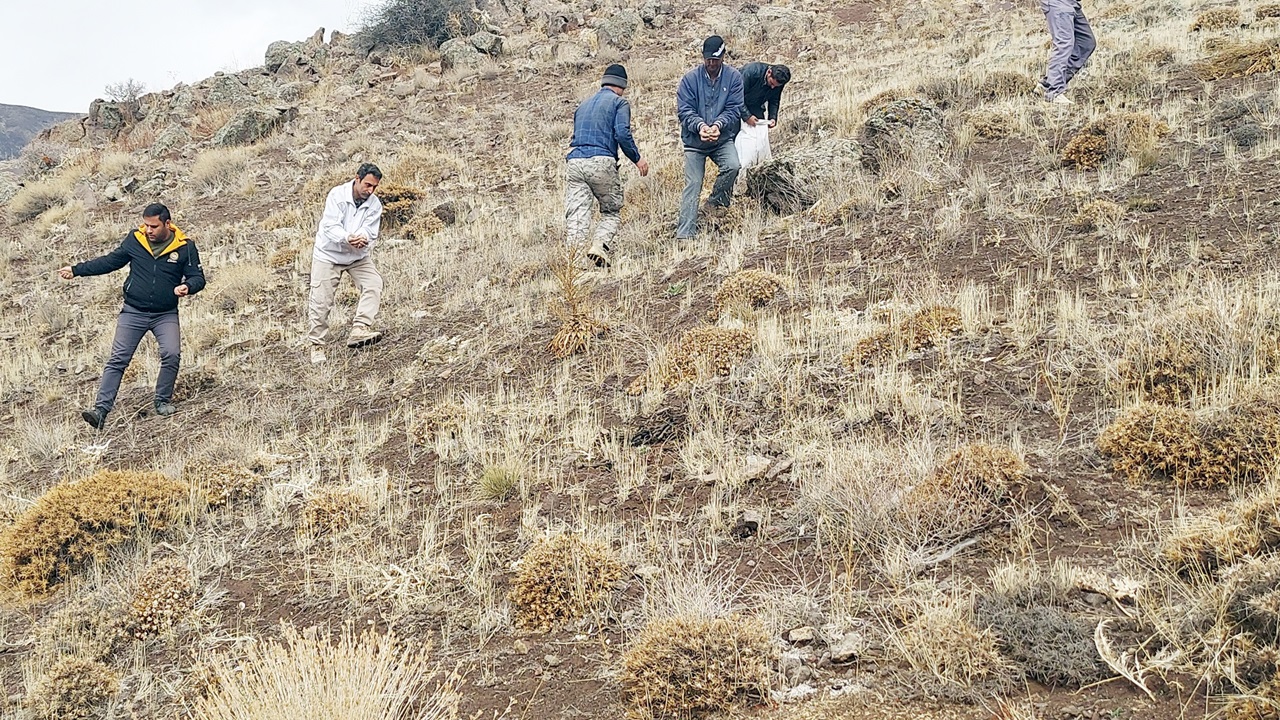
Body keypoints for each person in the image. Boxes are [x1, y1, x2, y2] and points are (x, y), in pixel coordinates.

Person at [58, 203, 206, 430]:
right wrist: (77, 270)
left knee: (171, 354)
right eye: (146, 225)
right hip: (133, 312)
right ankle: (100, 411)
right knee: (118, 359)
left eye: (154, 226)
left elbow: (198, 277)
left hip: (165, 314)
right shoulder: (135, 240)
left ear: (167, 224)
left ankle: (162, 401)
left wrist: (188, 286)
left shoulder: (185, 247)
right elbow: (109, 262)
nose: (148, 230)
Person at [565, 63, 650, 268]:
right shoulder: (619, 103)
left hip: (575, 161)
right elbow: (622, 133)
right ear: (621, 85)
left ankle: (574, 266)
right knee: (611, 211)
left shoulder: (582, 105)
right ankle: (599, 246)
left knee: (577, 215)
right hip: (601, 161)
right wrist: (637, 159)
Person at [308, 163, 385, 364]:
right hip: (328, 255)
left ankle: (360, 328)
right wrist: (348, 237)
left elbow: (371, 230)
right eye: (367, 185)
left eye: (374, 187)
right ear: (357, 179)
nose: (370, 190)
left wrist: (363, 237)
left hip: (357, 256)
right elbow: (329, 226)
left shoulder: (374, 204)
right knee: (321, 301)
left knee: (373, 284)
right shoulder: (337, 195)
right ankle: (316, 345)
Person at [675, 35, 745, 240]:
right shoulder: (689, 80)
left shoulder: (734, 78)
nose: (712, 64)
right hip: (694, 142)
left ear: (723, 56)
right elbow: (684, 111)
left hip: (722, 139)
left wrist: (717, 125)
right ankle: (685, 234)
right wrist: (700, 126)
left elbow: (734, 108)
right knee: (693, 184)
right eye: (708, 60)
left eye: (715, 59)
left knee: (733, 166)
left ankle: (716, 203)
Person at [1039, 0, 1095, 105]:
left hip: (1072, 3)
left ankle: (1048, 83)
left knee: (1086, 42)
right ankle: (1054, 92)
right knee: (1063, 44)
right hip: (1058, 3)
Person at [739, 62, 791, 129]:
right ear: (769, 72)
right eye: (771, 83)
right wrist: (747, 116)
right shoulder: (751, 72)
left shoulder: (779, 81)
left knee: (759, 128)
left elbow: (774, 100)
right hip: (734, 103)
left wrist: (772, 117)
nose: (772, 87)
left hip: (755, 104)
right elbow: (736, 97)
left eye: (776, 86)